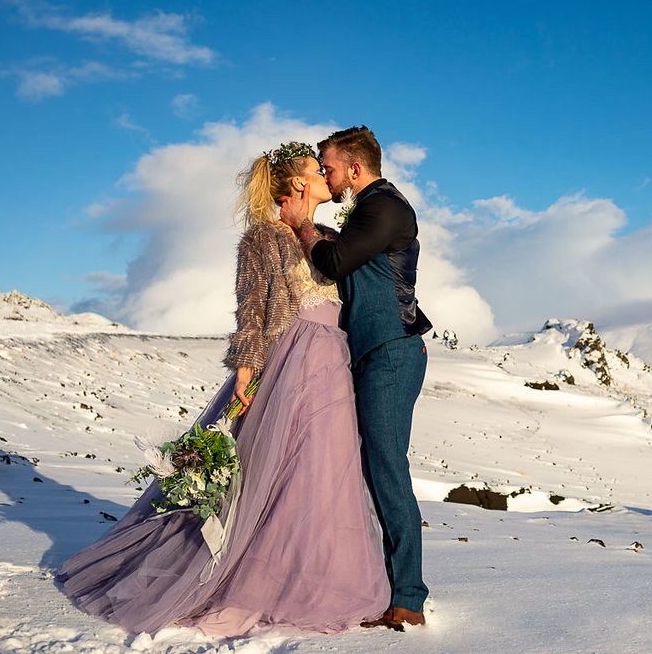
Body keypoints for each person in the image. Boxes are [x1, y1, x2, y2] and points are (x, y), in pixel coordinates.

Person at [56, 142, 390, 638]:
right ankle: (250, 579)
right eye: (316, 170)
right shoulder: (262, 237)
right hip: (293, 359)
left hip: (333, 360)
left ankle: (314, 579)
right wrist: (246, 371)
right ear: (297, 182)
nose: (325, 174)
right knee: (273, 470)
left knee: (325, 470)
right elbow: (252, 310)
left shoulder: (326, 235)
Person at [279, 126, 432, 629]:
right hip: (372, 352)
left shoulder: (385, 206)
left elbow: (335, 262)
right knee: (374, 470)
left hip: (390, 351)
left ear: (355, 167)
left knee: (387, 469)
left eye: (329, 165)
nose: (325, 173)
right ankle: (386, 588)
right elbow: (351, 262)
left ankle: (408, 599)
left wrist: (304, 225)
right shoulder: (371, 208)